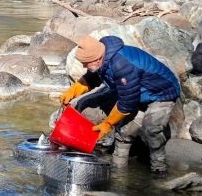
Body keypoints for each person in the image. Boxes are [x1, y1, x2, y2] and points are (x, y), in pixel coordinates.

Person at [58, 34, 181, 173]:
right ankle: (117, 172)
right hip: (138, 92)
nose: (84, 66)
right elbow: (93, 77)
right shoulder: (102, 56)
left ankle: (159, 169)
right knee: (124, 131)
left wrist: (108, 123)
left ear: (97, 59)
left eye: (86, 63)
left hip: (162, 93)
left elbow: (127, 102)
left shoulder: (121, 65)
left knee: (151, 129)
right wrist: (72, 91)